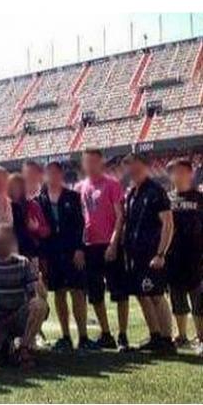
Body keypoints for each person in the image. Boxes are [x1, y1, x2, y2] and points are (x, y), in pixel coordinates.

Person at [37, 162, 96, 352]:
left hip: (72, 252)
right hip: (52, 254)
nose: (52, 176)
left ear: (61, 175)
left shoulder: (73, 196)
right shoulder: (40, 200)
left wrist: (80, 249)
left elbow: (81, 225)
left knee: (77, 292)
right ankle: (65, 337)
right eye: (49, 173)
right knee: (59, 293)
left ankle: (83, 336)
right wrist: (43, 258)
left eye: (56, 173)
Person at [75, 148, 130, 351]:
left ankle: (123, 334)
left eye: (93, 161)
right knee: (96, 293)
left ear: (101, 162)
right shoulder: (80, 187)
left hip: (110, 244)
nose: (89, 165)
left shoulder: (112, 184)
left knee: (119, 291)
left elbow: (120, 217)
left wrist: (114, 243)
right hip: (90, 246)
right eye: (86, 162)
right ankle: (106, 333)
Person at [122, 153, 175, 353]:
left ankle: (167, 339)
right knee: (142, 294)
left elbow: (168, 224)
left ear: (145, 167)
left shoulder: (156, 191)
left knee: (156, 295)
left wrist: (161, 253)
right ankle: (155, 336)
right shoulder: (132, 193)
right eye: (129, 168)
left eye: (135, 166)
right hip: (135, 256)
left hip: (152, 254)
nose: (132, 171)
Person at [0, 224, 49, 367]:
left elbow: (35, 294)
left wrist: (40, 286)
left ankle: (24, 348)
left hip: (17, 317)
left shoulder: (23, 263)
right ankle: (6, 346)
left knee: (40, 305)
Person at [165, 158, 202, 355]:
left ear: (190, 173)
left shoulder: (199, 198)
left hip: (196, 256)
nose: (175, 176)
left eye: (179, 171)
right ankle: (181, 336)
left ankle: (201, 337)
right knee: (177, 298)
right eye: (172, 172)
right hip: (173, 257)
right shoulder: (168, 198)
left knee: (199, 299)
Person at [8, 173, 50, 260]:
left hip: (31, 252)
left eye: (18, 187)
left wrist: (36, 228)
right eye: (12, 187)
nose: (15, 190)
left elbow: (46, 231)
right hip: (12, 253)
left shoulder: (32, 205)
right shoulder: (5, 206)